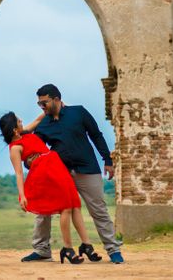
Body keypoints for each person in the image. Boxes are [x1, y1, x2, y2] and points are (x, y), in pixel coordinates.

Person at [22, 83, 125, 264]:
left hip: (87, 169)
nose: (42, 107)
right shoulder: (44, 123)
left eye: (44, 103)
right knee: (44, 209)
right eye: (39, 104)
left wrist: (107, 161)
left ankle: (113, 249)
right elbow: (35, 148)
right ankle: (42, 249)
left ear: (56, 99)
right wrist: (28, 162)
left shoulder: (78, 112)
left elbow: (96, 135)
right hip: (59, 173)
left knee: (99, 210)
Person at [0, 112, 101, 264]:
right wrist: (22, 195)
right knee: (65, 208)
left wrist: (56, 105)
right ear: (14, 129)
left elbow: (40, 118)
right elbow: (19, 173)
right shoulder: (15, 148)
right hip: (44, 174)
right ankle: (68, 248)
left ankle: (86, 245)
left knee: (75, 205)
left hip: (57, 166)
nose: (21, 120)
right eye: (18, 120)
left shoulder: (26, 133)